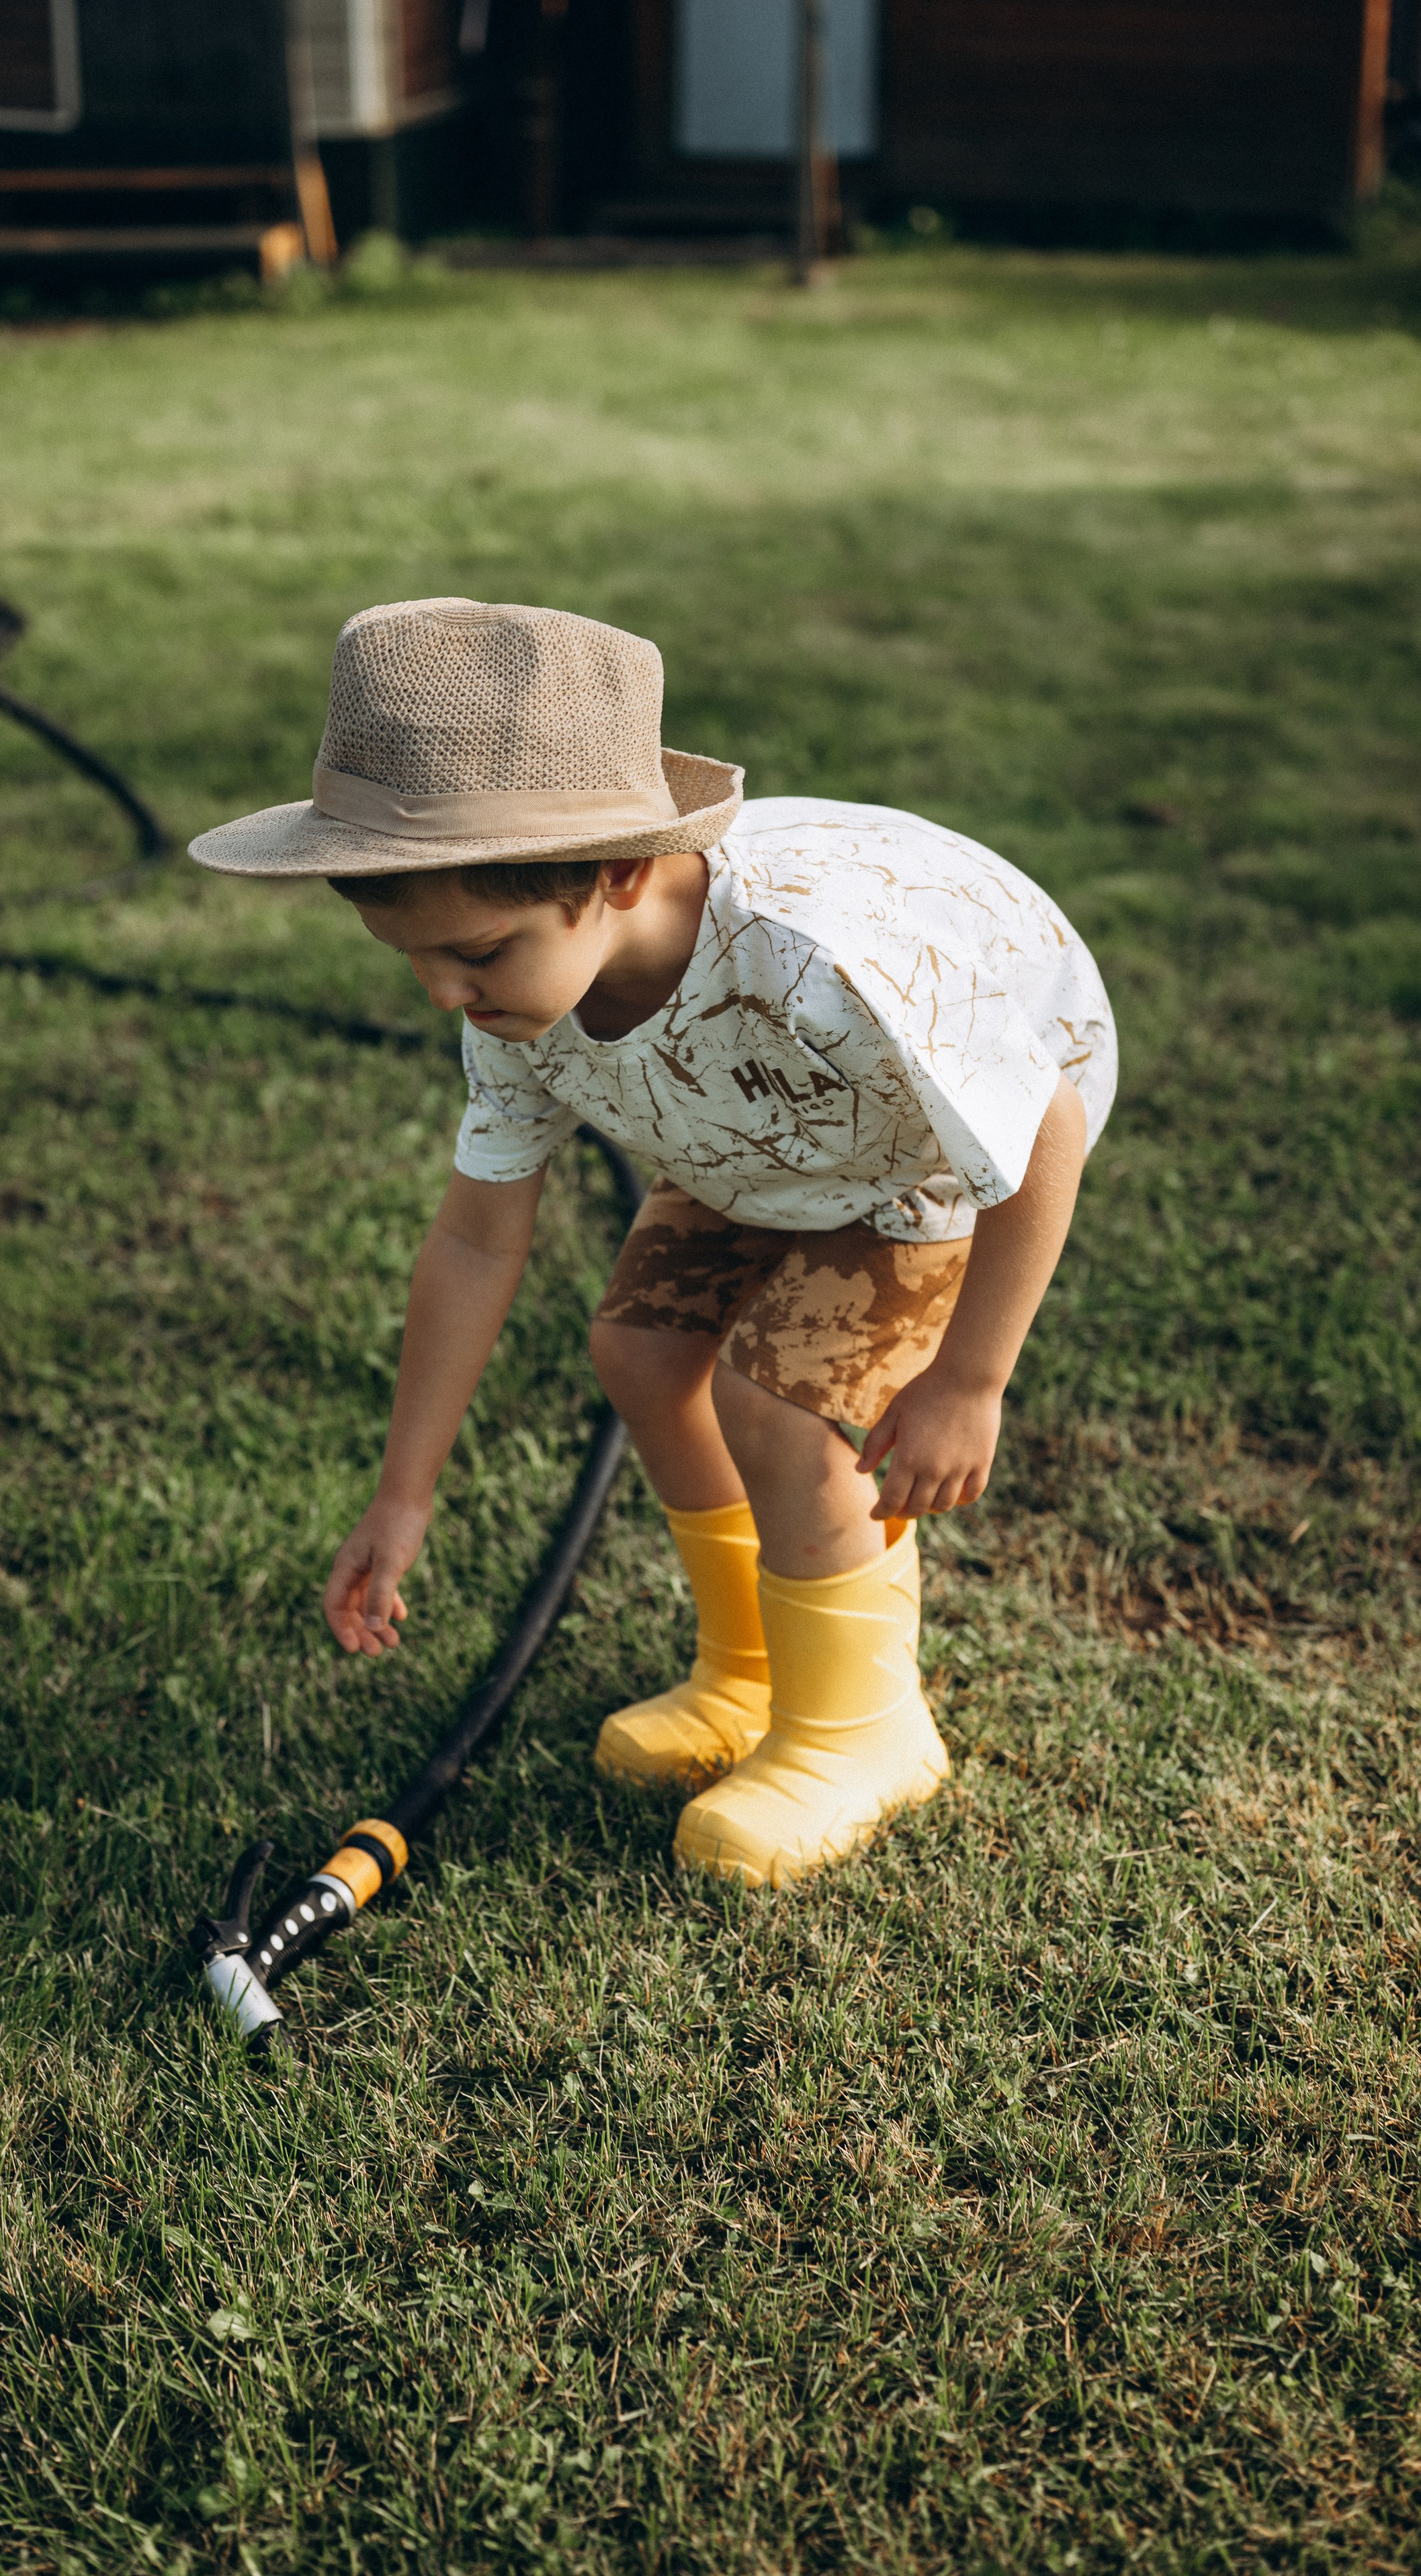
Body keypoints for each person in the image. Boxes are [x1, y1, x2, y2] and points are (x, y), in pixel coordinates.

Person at [190, 598, 1115, 1890]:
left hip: (905, 1155)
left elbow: (1049, 1123)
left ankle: (864, 1728)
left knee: (772, 1406)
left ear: (618, 875)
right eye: (409, 960)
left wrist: (969, 1380)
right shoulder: (519, 1005)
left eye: (473, 954)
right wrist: (404, 1497)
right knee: (635, 1350)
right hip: (745, 1132)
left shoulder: (823, 969)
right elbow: (474, 1241)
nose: (446, 998)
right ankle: (747, 1667)